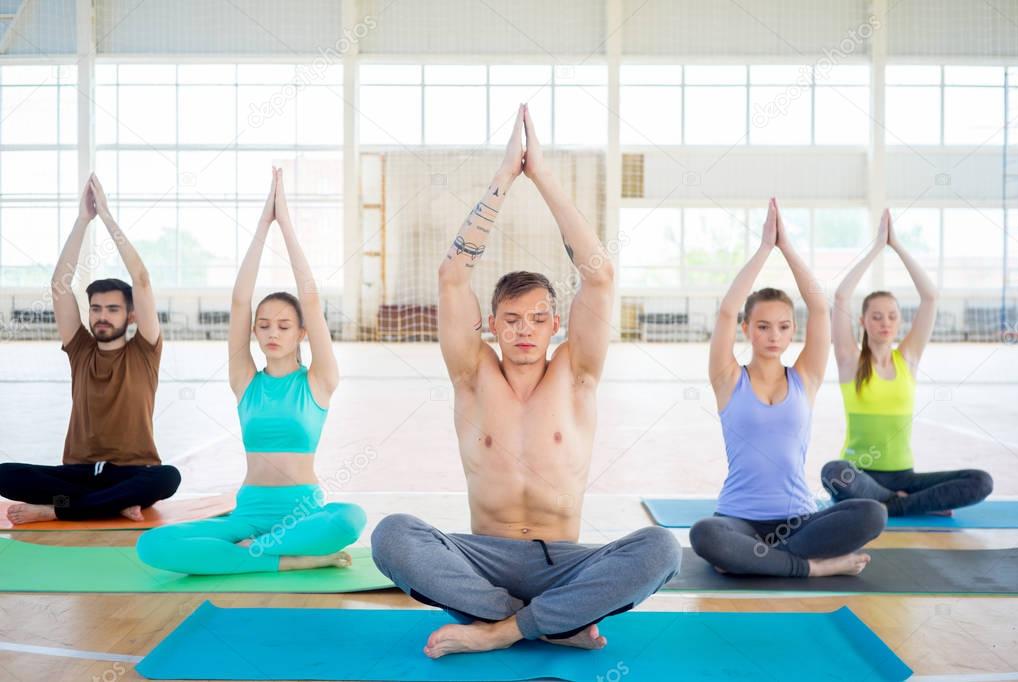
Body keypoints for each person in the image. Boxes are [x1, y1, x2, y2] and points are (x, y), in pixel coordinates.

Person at [371, 105, 682, 658]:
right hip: (481, 564)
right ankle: (545, 622)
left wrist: (540, 174)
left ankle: (502, 631)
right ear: (491, 325)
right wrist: (503, 178)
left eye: (539, 319)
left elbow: (600, 273)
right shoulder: (471, 375)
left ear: (555, 325)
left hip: (563, 562)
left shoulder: (577, 374)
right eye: (511, 319)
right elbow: (452, 275)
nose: (525, 330)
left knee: (662, 548)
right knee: (392, 535)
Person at [136, 168, 365, 574]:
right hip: (248, 513)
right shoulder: (245, 382)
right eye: (264, 325)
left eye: (283, 325)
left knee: (350, 519)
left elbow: (310, 300)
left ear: (301, 333)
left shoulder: (318, 381)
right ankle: (286, 559)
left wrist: (286, 225)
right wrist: (263, 224)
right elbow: (240, 302)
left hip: (303, 514)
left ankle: (255, 553)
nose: (271, 333)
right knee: (152, 545)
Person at [689, 198, 886, 578]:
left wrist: (788, 247)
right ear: (747, 329)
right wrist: (765, 247)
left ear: (793, 330)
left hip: (800, 520)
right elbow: (727, 310)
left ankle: (756, 561)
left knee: (873, 513)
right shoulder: (729, 378)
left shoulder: (805, 378)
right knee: (705, 535)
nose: (773, 335)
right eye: (762, 326)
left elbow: (819, 308)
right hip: (737, 520)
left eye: (782, 326)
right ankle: (812, 568)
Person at [0, 174, 180, 524]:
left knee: (168, 477)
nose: (101, 316)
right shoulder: (81, 348)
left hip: (133, 470)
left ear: (129, 315)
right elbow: (59, 284)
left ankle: (58, 510)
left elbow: (141, 279)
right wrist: (84, 220)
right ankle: (111, 505)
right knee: (5, 474)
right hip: (79, 473)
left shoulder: (145, 351)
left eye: (112, 309)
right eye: (95, 308)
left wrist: (108, 218)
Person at [821, 210, 992, 516]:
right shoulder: (849, 360)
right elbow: (841, 296)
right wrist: (876, 248)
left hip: (906, 477)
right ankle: (910, 505)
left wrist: (896, 246)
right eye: (876, 316)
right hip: (859, 477)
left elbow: (930, 297)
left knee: (981, 481)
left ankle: (893, 504)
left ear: (900, 321)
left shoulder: (908, 358)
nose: (885, 322)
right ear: (863, 321)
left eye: (891, 316)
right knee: (833, 473)